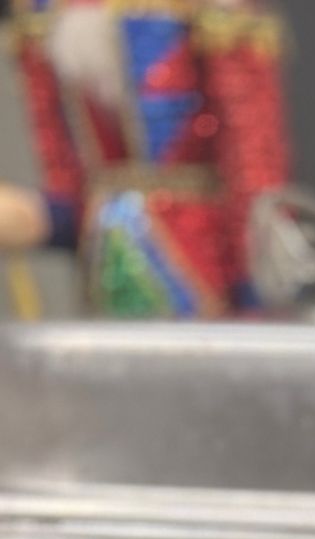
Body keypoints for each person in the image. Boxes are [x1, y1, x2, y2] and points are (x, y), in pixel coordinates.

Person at [0, 0, 289, 314]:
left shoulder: (210, 14)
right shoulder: (47, 14)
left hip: (202, 262)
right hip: (105, 262)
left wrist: (254, 287)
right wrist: (40, 217)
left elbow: (254, 163)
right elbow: (68, 179)